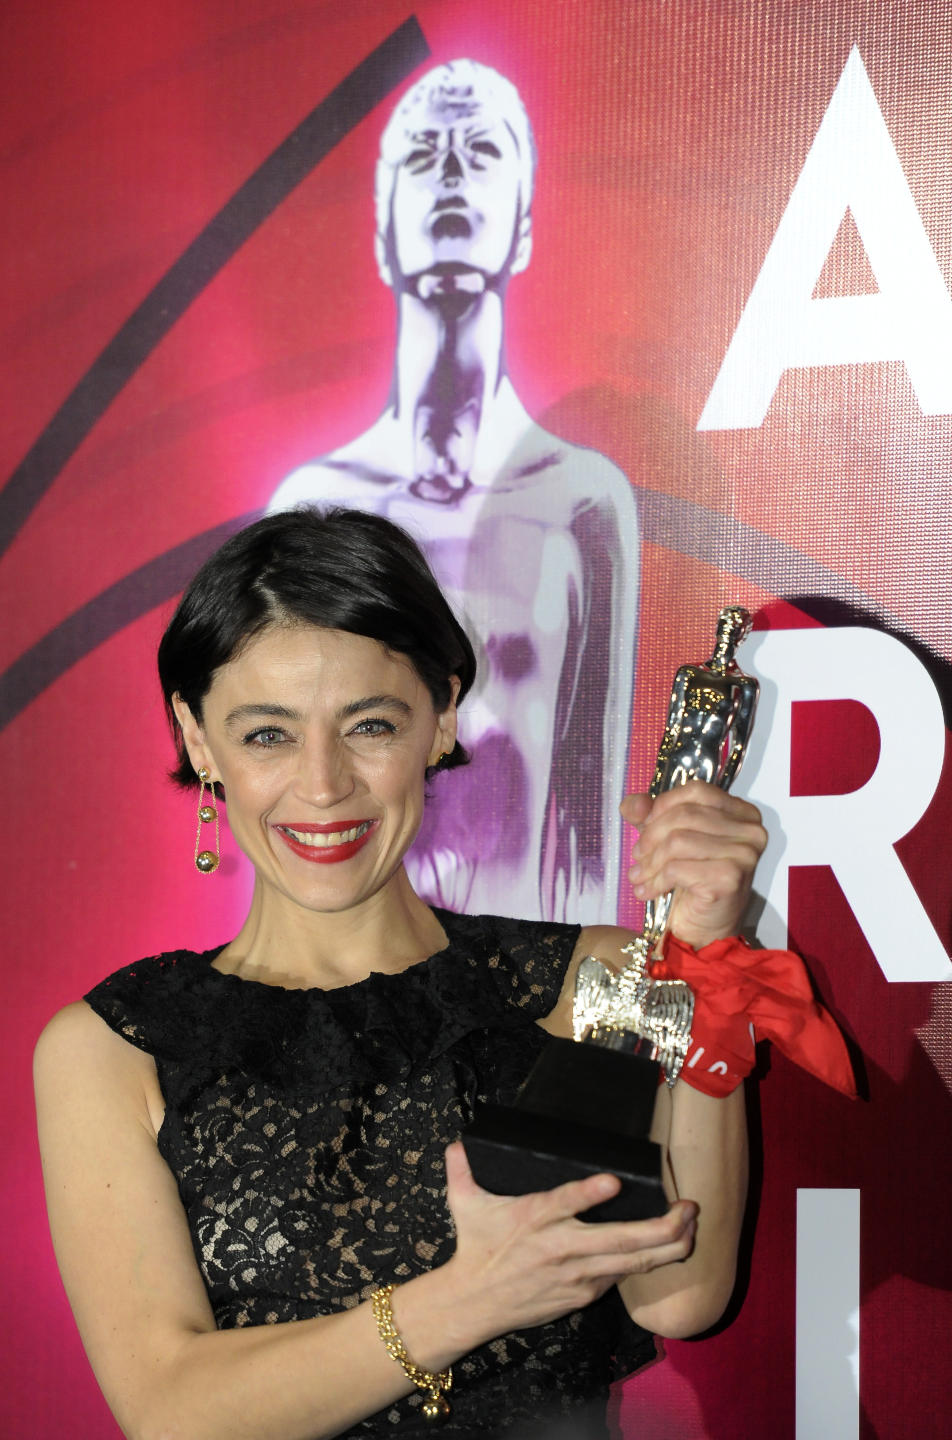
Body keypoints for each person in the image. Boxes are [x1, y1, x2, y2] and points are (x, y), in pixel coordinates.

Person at [35, 506, 765, 1440]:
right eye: (267, 734)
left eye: (370, 724)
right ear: (197, 738)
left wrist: (705, 946)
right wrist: (466, 1301)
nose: (324, 783)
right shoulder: (116, 1048)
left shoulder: (590, 981)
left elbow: (681, 1292)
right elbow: (172, 1410)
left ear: (442, 716)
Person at [268, 60, 639, 927]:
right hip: (354, 989)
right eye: (424, 155)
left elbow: (588, 823)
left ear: (522, 225)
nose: (450, 175)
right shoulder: (311, 507)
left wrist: (585, 1035)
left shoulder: (584, 504)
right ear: (381, 231)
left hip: (529, 992)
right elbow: (287, 798)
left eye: (480, 152)